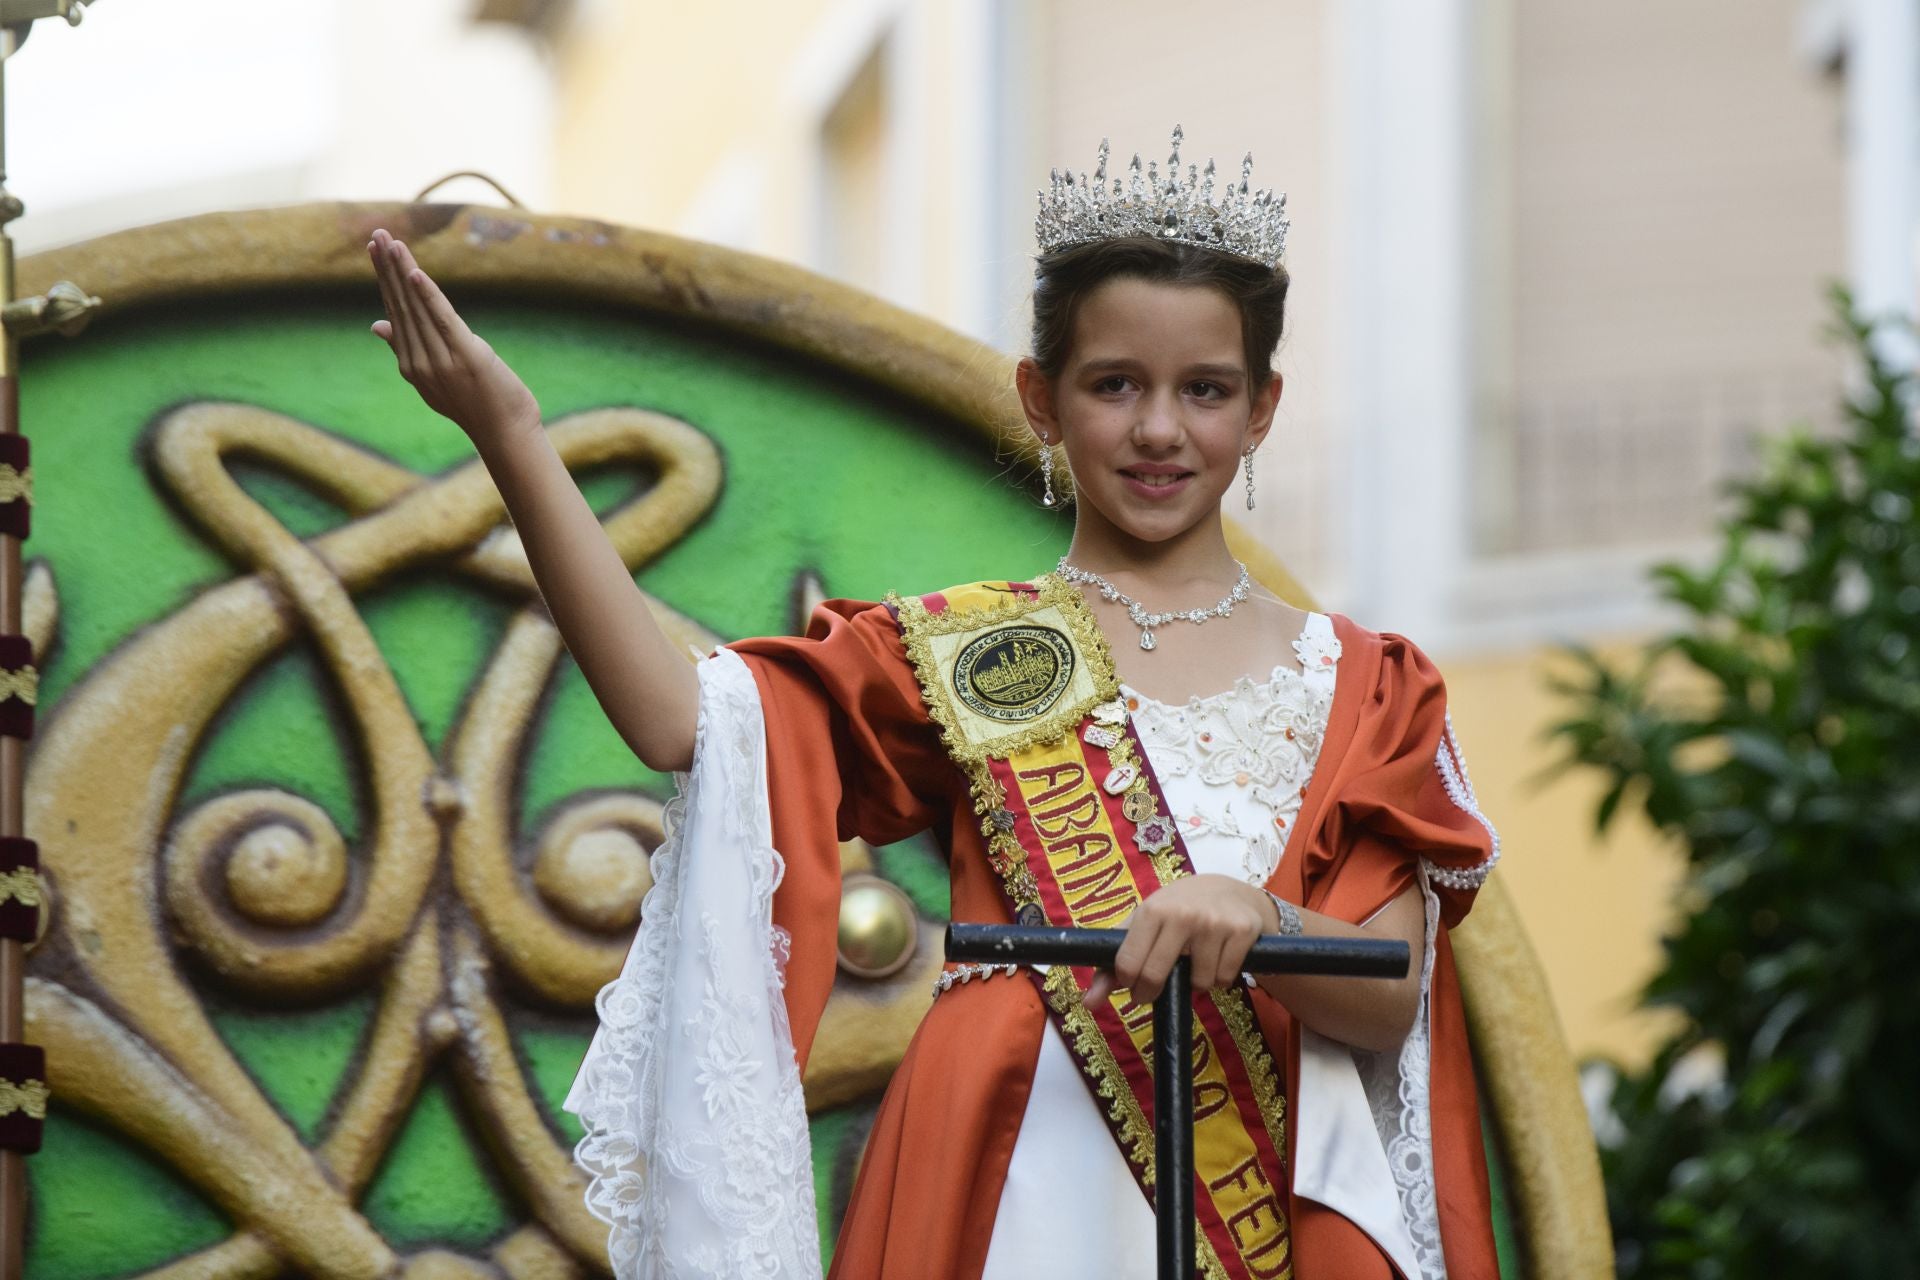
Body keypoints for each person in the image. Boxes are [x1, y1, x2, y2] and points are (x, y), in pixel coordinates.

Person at [366, 128, 1502, 1280]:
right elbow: (684, 724)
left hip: (1270, 1199)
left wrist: (1258, 915)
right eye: (1115, 384)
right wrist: (512, 435)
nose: (1160, 428)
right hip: (1007, 1169)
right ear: (1041, 398)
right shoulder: (962, 650)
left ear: (1260, 408)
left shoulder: (1368, 681)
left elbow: (1390, 990)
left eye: (1203, 390)